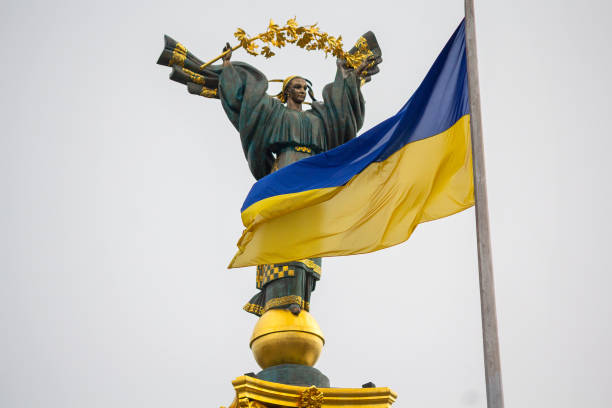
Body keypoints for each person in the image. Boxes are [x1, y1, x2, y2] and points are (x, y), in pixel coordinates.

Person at [157, 34, 381, 316]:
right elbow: (248, 101)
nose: (302, 90)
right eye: (297, 87)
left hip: (313, 180)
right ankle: (277, 295)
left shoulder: (319, 120)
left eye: (305, 87)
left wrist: (346, 75)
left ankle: (300, 295)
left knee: (308, 237)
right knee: (284, 232)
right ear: (287, 91)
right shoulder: (274, 114)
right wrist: (228, 70)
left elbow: (343, 115)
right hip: (285, 173)